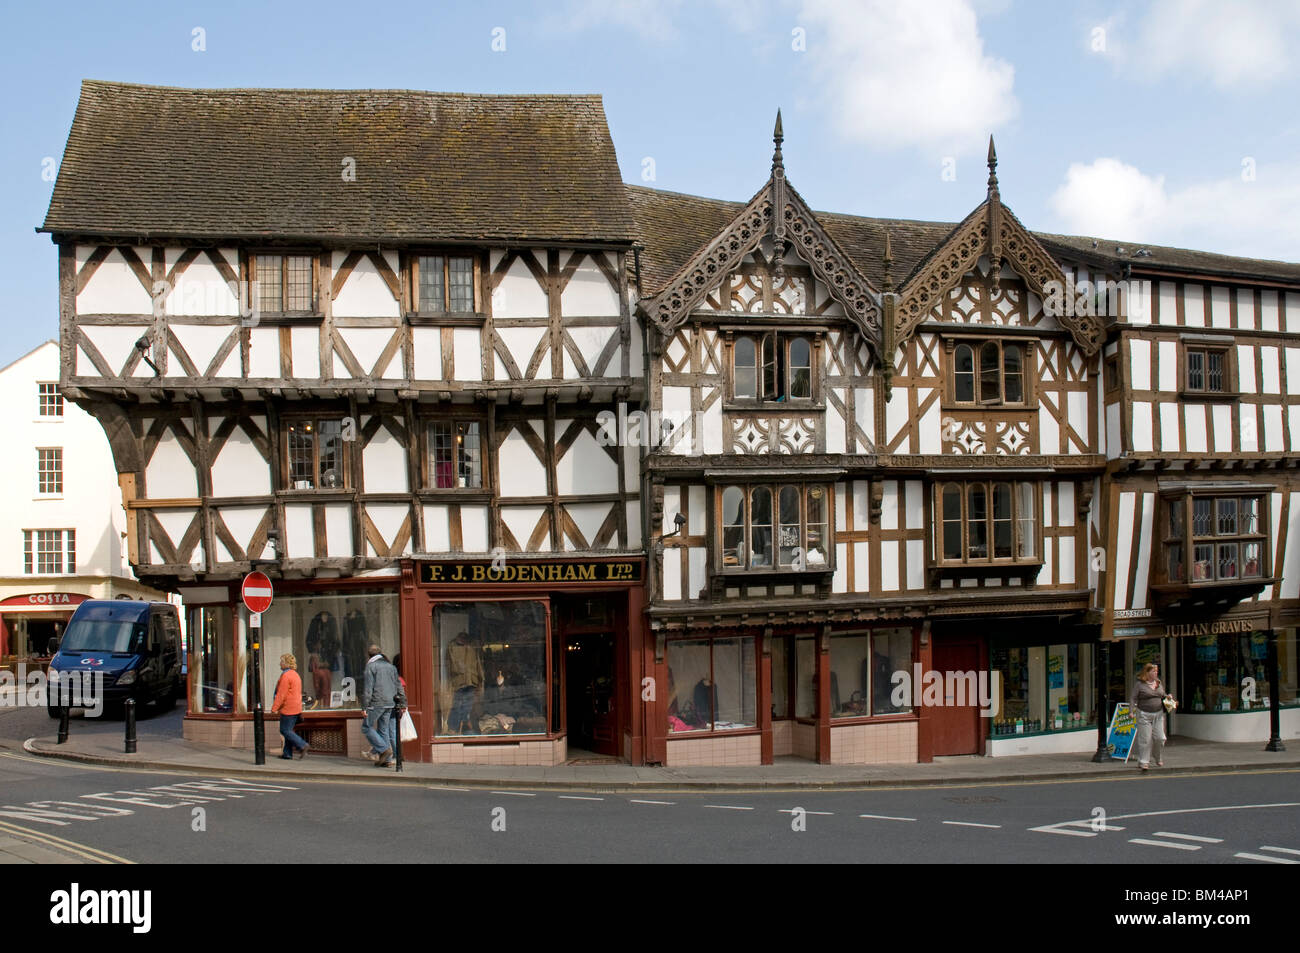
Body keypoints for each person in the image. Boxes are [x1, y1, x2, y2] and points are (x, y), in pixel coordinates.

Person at [361, 644, 403, 767]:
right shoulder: (391, 667)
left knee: (366, 727)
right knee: (383, 730)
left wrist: (364, 707)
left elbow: (368, 690)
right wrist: (403, 703)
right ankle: (387, 760)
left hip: (377, 702)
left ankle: (384, 749)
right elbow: (398, 686)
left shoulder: (370, 666)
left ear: (368, 655)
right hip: (390, 702)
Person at [1130, 661, 1172, 771]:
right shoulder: (1140, 684)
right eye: (1154, 671)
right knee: (1146, 739)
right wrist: (1131, 711)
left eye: (1156, 671)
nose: (1156, 673)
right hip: (1144, 714)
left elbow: (1162, 694)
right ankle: (1143, 761)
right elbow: (1133, 698)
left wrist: (1168, 696)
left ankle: (1157, 756)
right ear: (1147, 672)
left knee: (1160, 738)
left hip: (1158, 714)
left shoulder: (1158, 682)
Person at [270, 653, 308, 760]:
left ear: (286, 663)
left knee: (284, 730)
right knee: (289, 730)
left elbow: (281, 694)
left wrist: (274, 708)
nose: (279, 664)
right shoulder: (295, 675)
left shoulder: (286, 676)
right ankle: (287, 753)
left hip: (288, 708)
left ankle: (302, 744)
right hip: (296, 707)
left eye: (281, 662)